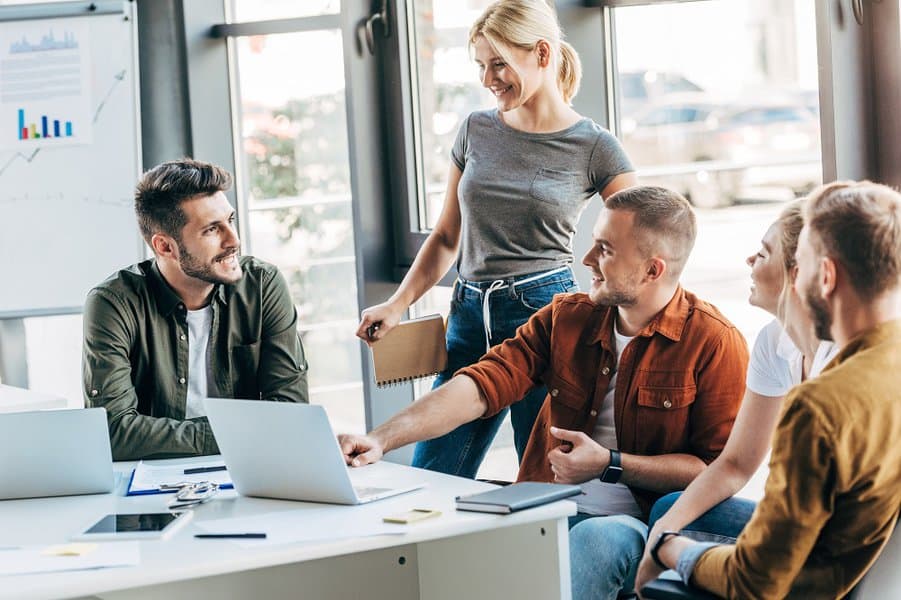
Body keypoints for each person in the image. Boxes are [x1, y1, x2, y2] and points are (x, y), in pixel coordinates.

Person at [340, 186, 748, 599]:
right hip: (543, 511)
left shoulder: (714, 342)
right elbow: (480, 385)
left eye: (604, 250)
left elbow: (714, 471)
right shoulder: (566, 317)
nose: (587, 259)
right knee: (431, 540)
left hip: (639, 527)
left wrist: (610, 463)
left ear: (652, 270)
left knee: (598, 537)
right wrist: (379, 439)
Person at [355, 0, 637, 479]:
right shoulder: (475, 129)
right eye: (481, 66)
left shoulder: (595, 147)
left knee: (541, 482)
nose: (488, 79)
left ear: (542, 54)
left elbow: (643, 236)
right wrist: (399, 304)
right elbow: (447, 236)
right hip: (467, 317)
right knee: (432, 476)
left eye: (500, 63)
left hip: (542, 317)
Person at [651, 181, 901, 599]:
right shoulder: (884, 362)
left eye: (800, 266)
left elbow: (755, 582)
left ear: (824, 276)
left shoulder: (821, 407)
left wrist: (670, 549)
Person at [633, 201, 839, 591]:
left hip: (835, 540)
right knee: (670, 510)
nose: (749, 260)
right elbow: (736, 464)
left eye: (763, 253)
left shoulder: (843, 364)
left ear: (798, 274)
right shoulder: (774, 343)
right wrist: (663, 533)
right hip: (801, 524)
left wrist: (673, 552)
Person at [83, 158, 309, 460]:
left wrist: (171, 437)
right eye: (212, 230)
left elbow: (292, 415)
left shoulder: (262, 285)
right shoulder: (114, 303)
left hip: (252, 472)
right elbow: (114, 432)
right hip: (152, 489)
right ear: (165, 247)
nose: (234, 241)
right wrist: (240, 434)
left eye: (231, 221)